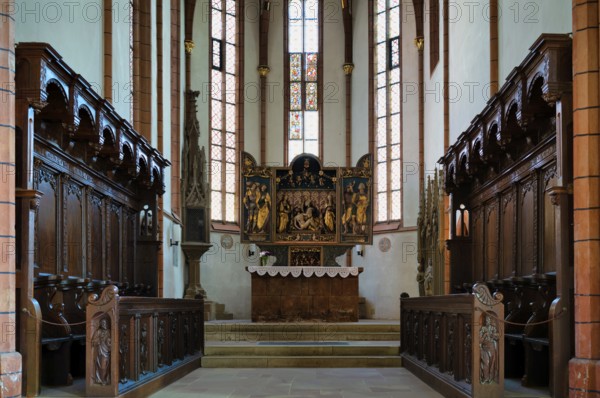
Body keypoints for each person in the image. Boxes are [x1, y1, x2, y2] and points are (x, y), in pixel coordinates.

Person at [479, 314, 500, 384]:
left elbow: (498, 336)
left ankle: (491, 378)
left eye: (488, 320)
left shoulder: (493, 328)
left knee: (492, 363)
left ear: (490, 320)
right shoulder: (482, 328)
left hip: (492, 347)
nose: (486, 321)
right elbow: (479, 340)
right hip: (485, 348)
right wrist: (484, 335)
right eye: (485, 320)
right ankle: (485, 378)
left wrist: (492, 335)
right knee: (486, 363)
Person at [92, 317, 111, 385]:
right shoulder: (98, 331)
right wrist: (99, 340)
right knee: (102, 366)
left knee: (107, 366)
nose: (104, 324)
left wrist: (109, 342)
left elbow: (112, 341)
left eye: (105, 323)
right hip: (101, 351)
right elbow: (93, 341)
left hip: (108, 351)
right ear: (100, 324)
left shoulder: (109, 331)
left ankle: (106, 379)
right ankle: (102, 379)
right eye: (102, 323)